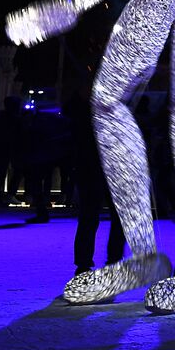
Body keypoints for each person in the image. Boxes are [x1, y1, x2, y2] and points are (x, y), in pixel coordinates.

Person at [66, 90, 126, 276]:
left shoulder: (85, 119)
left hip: (93, 170)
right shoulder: (110, 117)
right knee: (103, 218)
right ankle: (110, 260)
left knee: (90, 217)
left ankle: (87, 261)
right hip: (103, 170)